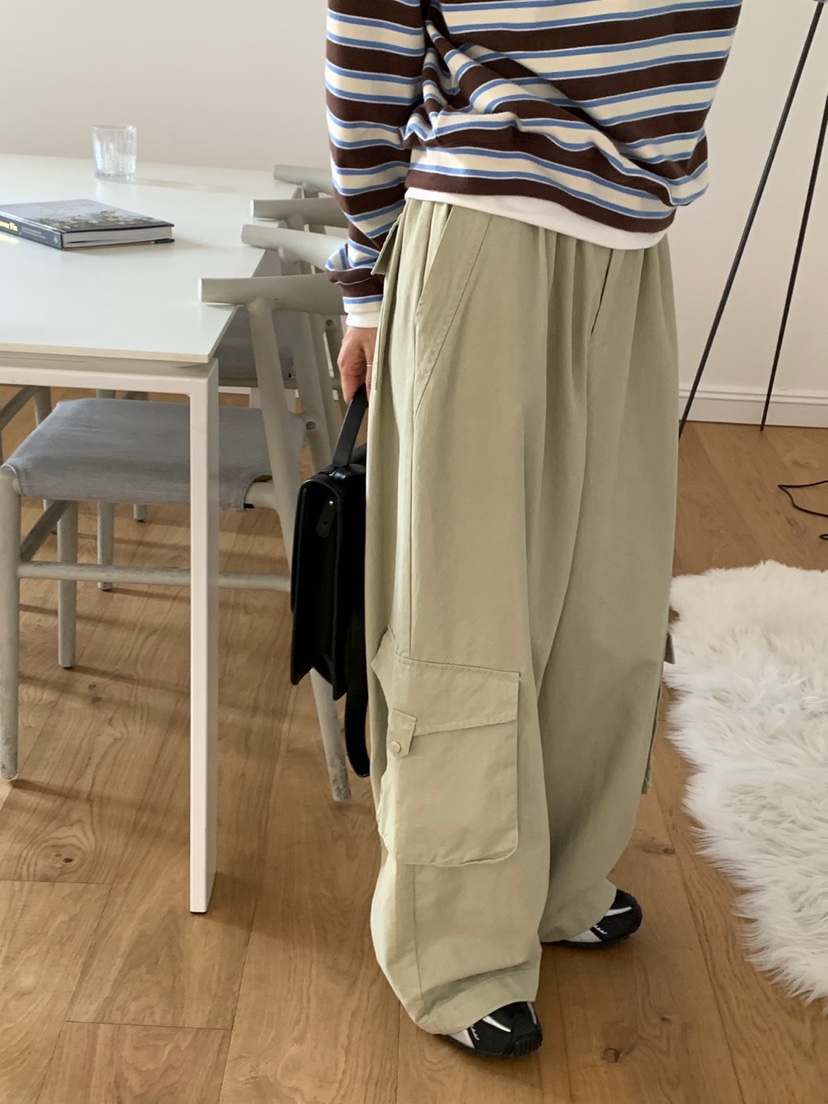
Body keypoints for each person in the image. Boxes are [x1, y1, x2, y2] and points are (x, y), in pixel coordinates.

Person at [324, 0, 743, 1059]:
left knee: (611, 600)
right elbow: (370, 37)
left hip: (635, 234)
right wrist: (366, 277)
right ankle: (455, 944)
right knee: (467, 612)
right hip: (486, 216)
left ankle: (560, 879)